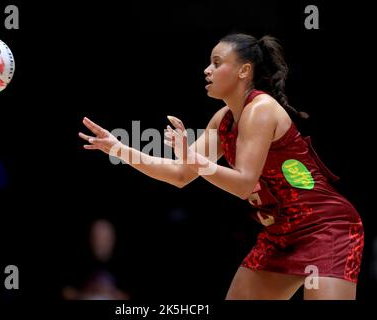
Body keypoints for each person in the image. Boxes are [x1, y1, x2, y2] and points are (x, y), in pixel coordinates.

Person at [78, 33, 364, 300]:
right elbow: (180, 175)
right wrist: (118, 148)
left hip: (326, 228)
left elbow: (242, 183)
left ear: (244, 71)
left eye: (216, 63)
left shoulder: (261, 109)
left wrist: (194, 159)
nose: (207, 70)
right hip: (279, 236)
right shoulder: (223, 119)